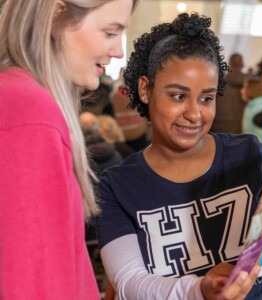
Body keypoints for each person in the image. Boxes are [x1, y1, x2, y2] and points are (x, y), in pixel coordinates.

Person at [96, 13, 262, 300]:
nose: (195, 114)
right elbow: (130, 284)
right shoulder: (116, 186)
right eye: (178, 96)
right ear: (145, 89)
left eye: (207, 98)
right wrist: (199, 290)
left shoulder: (249, 156)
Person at [0, 0, 136, 299]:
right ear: (57, 15)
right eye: (110, 32)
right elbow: (30, 283)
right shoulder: (29, 111)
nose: (118, 51)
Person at [211, 53, 246, 134]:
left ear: (229, 65)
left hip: (219, 127)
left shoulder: (217, 82)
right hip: (241, 128)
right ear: (243, 65)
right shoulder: (250, 85)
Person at [241, 77, 262, 148]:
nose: (242, 91)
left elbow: (261, 138)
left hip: (256, 153)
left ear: (252, 89)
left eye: (244, 88)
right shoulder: (251, 106)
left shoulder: (258, 108)